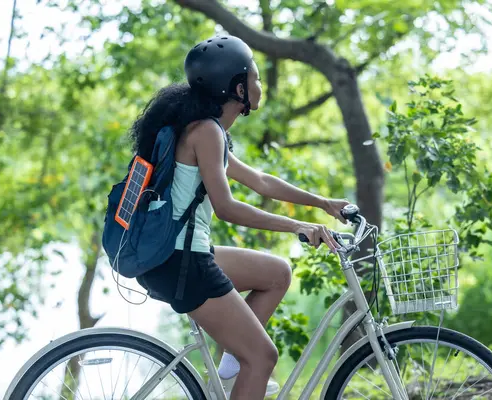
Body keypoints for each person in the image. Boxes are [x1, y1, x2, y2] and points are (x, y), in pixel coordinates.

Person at [129, 35, 349, 400]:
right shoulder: (206, 132)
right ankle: (245, 366)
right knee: (263, 357)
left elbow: (261, 181)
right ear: (237, 87)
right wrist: (297, 226)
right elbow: (228, 207)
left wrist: (323, 203)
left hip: (180, 254)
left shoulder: (206, 130)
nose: (260, 85)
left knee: (277, 273)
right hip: (182, 260)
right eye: (255, 78)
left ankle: (232, 368)